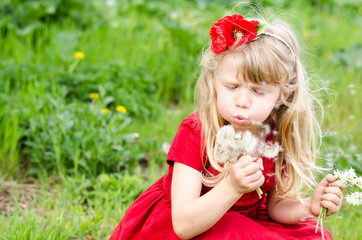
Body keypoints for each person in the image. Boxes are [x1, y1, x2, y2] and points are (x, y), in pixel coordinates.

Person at [109, 13, 345, 240]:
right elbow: (182, 225)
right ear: (215, 83)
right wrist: (232, 187)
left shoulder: (274, 136)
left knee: (316, 235)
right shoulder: (197, 132)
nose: (242, 101)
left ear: (283, 94)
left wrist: (309, 207)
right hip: (191, 226)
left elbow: (276, 208)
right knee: (235, 229)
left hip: (241, 225)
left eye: (257, 91)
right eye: (232, 87)